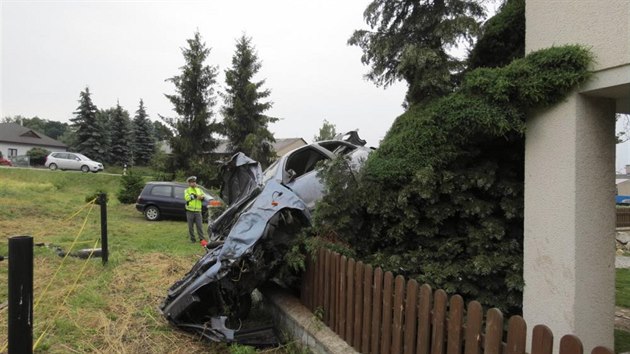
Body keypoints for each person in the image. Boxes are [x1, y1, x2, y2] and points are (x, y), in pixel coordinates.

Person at [184, 176, 206, 243]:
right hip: (190, 211)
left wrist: (201, 197)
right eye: (192, 182)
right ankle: (193, 240)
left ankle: (202, 239)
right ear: (189, 183)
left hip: (198, 211)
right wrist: (195, 196)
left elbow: (203, 196)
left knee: (199, 226)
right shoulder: (187, 190)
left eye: (194, 182)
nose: (194, 183)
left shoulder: (199, 190)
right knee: (191, 227)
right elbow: (187, 198)